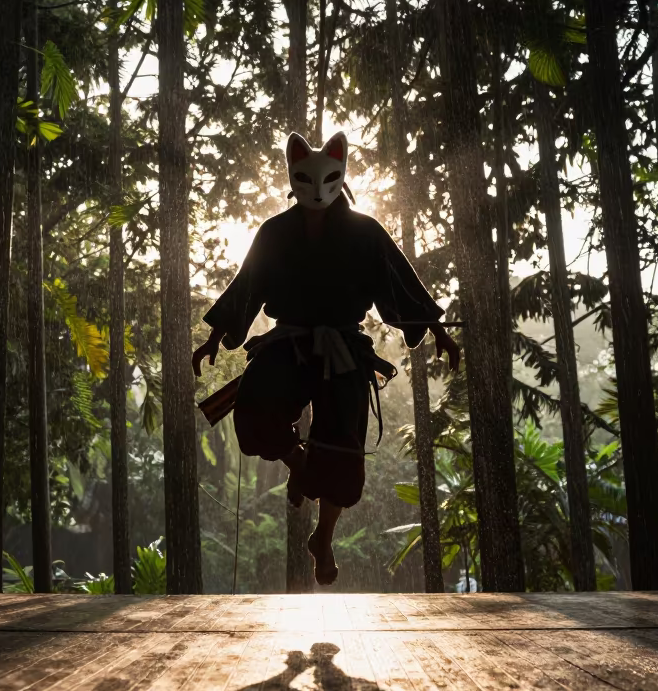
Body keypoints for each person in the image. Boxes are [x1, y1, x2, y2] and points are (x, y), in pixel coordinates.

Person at [193, 131, 459, 586]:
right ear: (292, 175)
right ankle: (301, 465)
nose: (317, 191)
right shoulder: (274, 232)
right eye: (307, 180)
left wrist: (438, 331)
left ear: (342, 173)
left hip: (343, 346)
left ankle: (324, 537)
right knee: (255, 409)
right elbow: (247, 286)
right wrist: (214, 338)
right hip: (288, 343)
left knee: (343, 442)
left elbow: (400, 283)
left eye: (328, 180)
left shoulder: (365, 231)